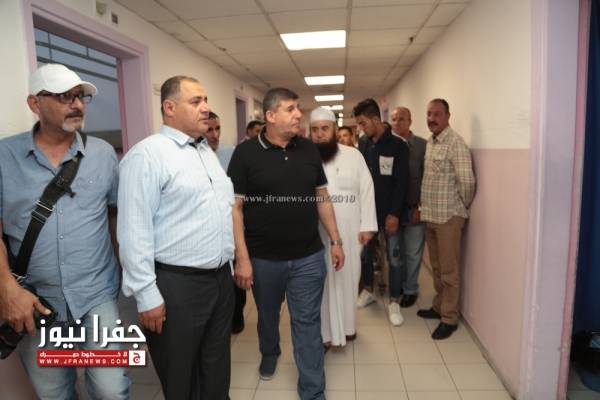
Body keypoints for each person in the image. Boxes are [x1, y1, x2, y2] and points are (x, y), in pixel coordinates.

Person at [0, 63, 128, 398]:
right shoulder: (4, 156)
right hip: (35, 301)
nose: (77, 104)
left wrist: (128, 270)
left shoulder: (102, 154)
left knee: (112, 390)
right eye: (64, 97)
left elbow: (115, 216)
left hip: (96, 294)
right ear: (34, 103)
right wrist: (7, 289)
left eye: (80, 96)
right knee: (54, 394)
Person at [118, 75, 235, 399]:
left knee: (216, 370)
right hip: (177, 286)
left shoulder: (205, 152)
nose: (206, 108)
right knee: (180, 377)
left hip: (219, 281)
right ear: (169, 108)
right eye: (196, 101)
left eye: (206, 100)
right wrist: (146, 295)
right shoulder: (148, 155)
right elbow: (133, 230)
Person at [227, 88, 344, 400]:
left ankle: (313, 391)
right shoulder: (245, 154)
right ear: (270, 116)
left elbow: (322, 197)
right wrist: (242, 258)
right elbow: (235, 208)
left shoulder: (308, 150)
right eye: (290, 109)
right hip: (264, 258)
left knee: (307, 322)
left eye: (298, 108)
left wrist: (335, 239)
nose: (297, 114)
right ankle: (270, 351)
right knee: (267, 315)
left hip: (308, 256)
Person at [309, 107, 377, 349]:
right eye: (314, 130)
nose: (319, 134)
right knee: (323, 283)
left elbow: (367, 190)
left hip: (350, 233)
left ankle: (348, 328)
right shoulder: (306, 157)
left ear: (335, 130)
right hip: (317, 233)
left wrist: (368, 226)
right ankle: (325, 334)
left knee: (348, 279)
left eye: (324, 129)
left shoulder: (353, 156)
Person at [417, 98, 476, 340]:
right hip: (431, 215)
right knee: (437, 268)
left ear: (447, 116)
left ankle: (449, 318)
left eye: (437, 114)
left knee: (449, 271)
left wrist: (460, 207)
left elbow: (467, 182)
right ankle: (439, 306)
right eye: (429, 114)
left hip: (449, 217)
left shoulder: (456, 143)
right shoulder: (431, 142)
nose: (431, 118)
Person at [353, 98, 409, 326]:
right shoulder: (364, 143)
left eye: (363, 123)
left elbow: (402, 183)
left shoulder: (398, 146)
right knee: (366, 255)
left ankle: (394, 301)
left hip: (391, 212)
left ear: (376, 119)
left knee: (394, 257)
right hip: (368, 212)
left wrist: (394, 214)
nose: (361, 128)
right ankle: (368, 290)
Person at [204, 111, 246, 334]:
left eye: (217, 128)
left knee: (237, 279)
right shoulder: (193, 156)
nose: (214, 134)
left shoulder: (232, 153)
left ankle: (237, 317)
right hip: (208, 230)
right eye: (209, 129)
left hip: (234, 225)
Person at [390, 106, 427, 308]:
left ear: (410, 122)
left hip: (414, 208)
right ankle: (398, 285)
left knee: (413, 252)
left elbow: (426, 179)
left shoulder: (422, 146)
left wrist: (420, 207)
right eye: (394, 119)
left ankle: (410, 289)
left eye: (401, 119)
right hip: (393, 211)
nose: (397, 123)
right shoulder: (388, 144)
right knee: (396, 252)